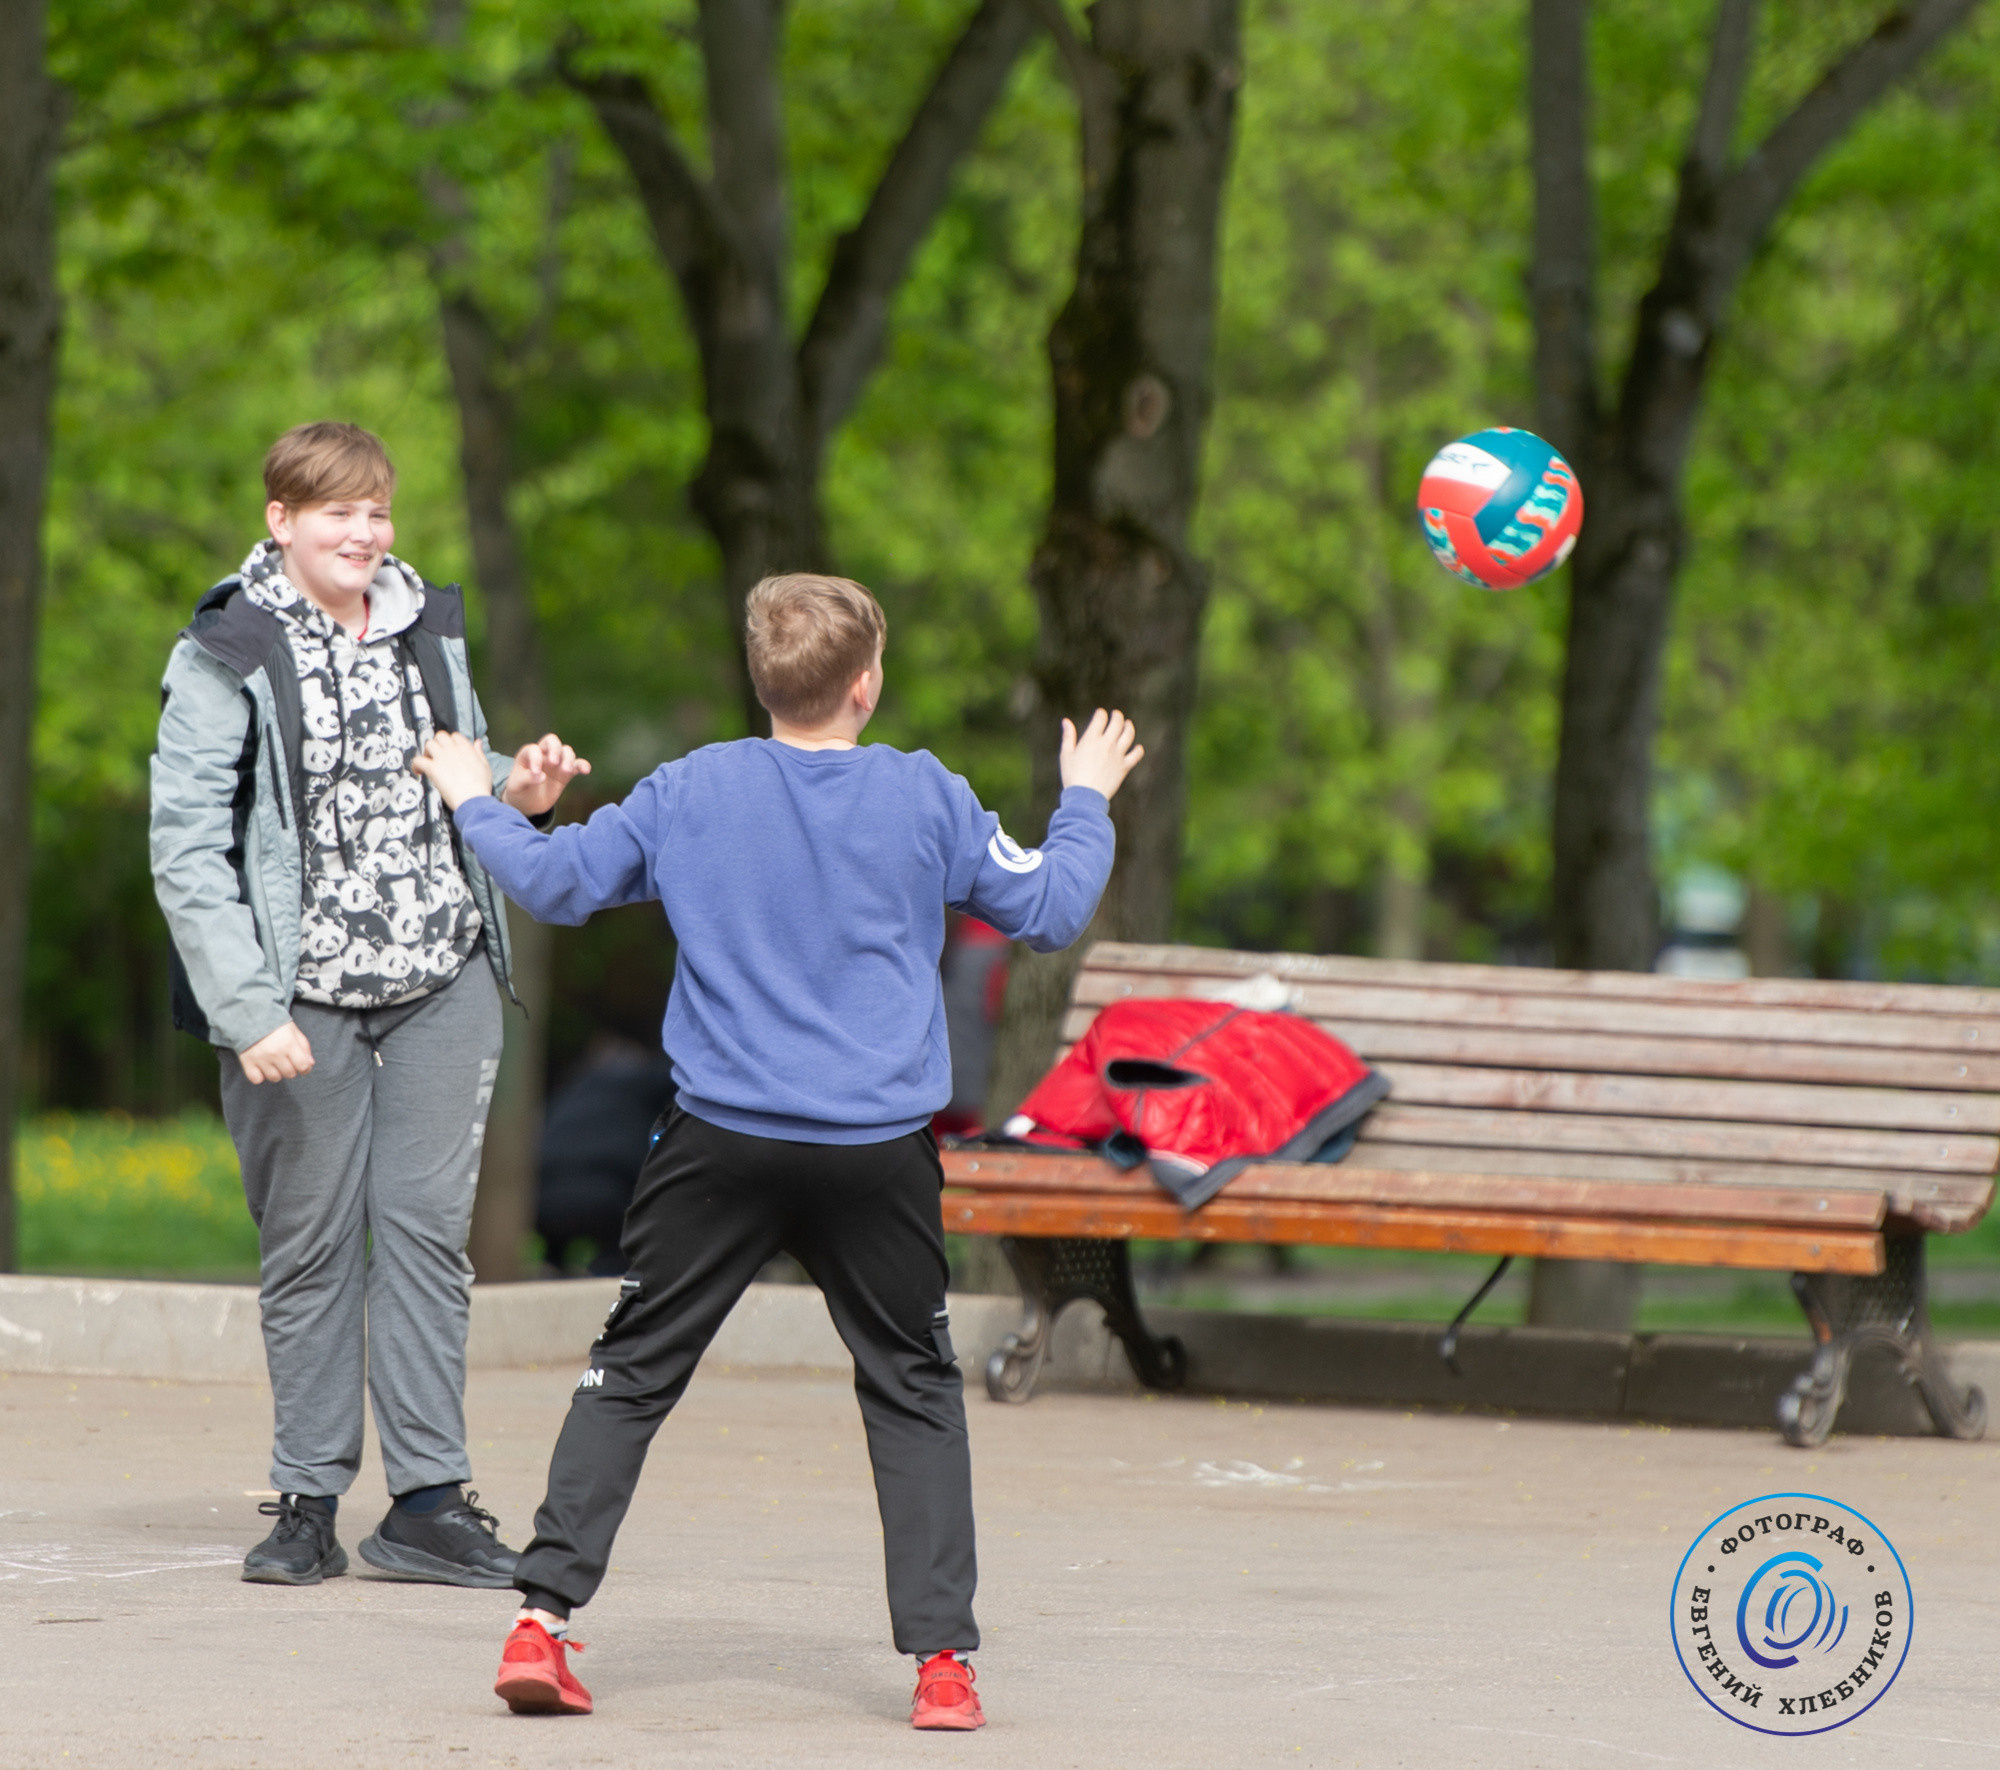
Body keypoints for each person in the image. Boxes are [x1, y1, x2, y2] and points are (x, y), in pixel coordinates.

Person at [411, 571, 1143, 1729]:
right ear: (867, 683)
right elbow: (1049, 910)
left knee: (633, 1372)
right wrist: (1085, 795)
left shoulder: (689, 788)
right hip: (875, 1151)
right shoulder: (925, 795)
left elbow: (551, 885)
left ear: (762, 681)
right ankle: (941, 1666)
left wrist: (474, 796)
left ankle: (540, 1622)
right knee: (911, 1391)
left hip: (719, 1143)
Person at [150, 421, 590, 1588]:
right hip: (299, 1001)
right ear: (280, 520)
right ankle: (306, 1501)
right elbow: (187, 847)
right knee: (308, 1247)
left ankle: (430, 1503)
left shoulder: (422, 627)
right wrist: (247, 1011)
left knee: (426, 1243)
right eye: (335, 511)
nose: (363, 532)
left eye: (377, 510)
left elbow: (457, 770)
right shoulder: (226, 647)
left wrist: (521, 792)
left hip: (441, 973)